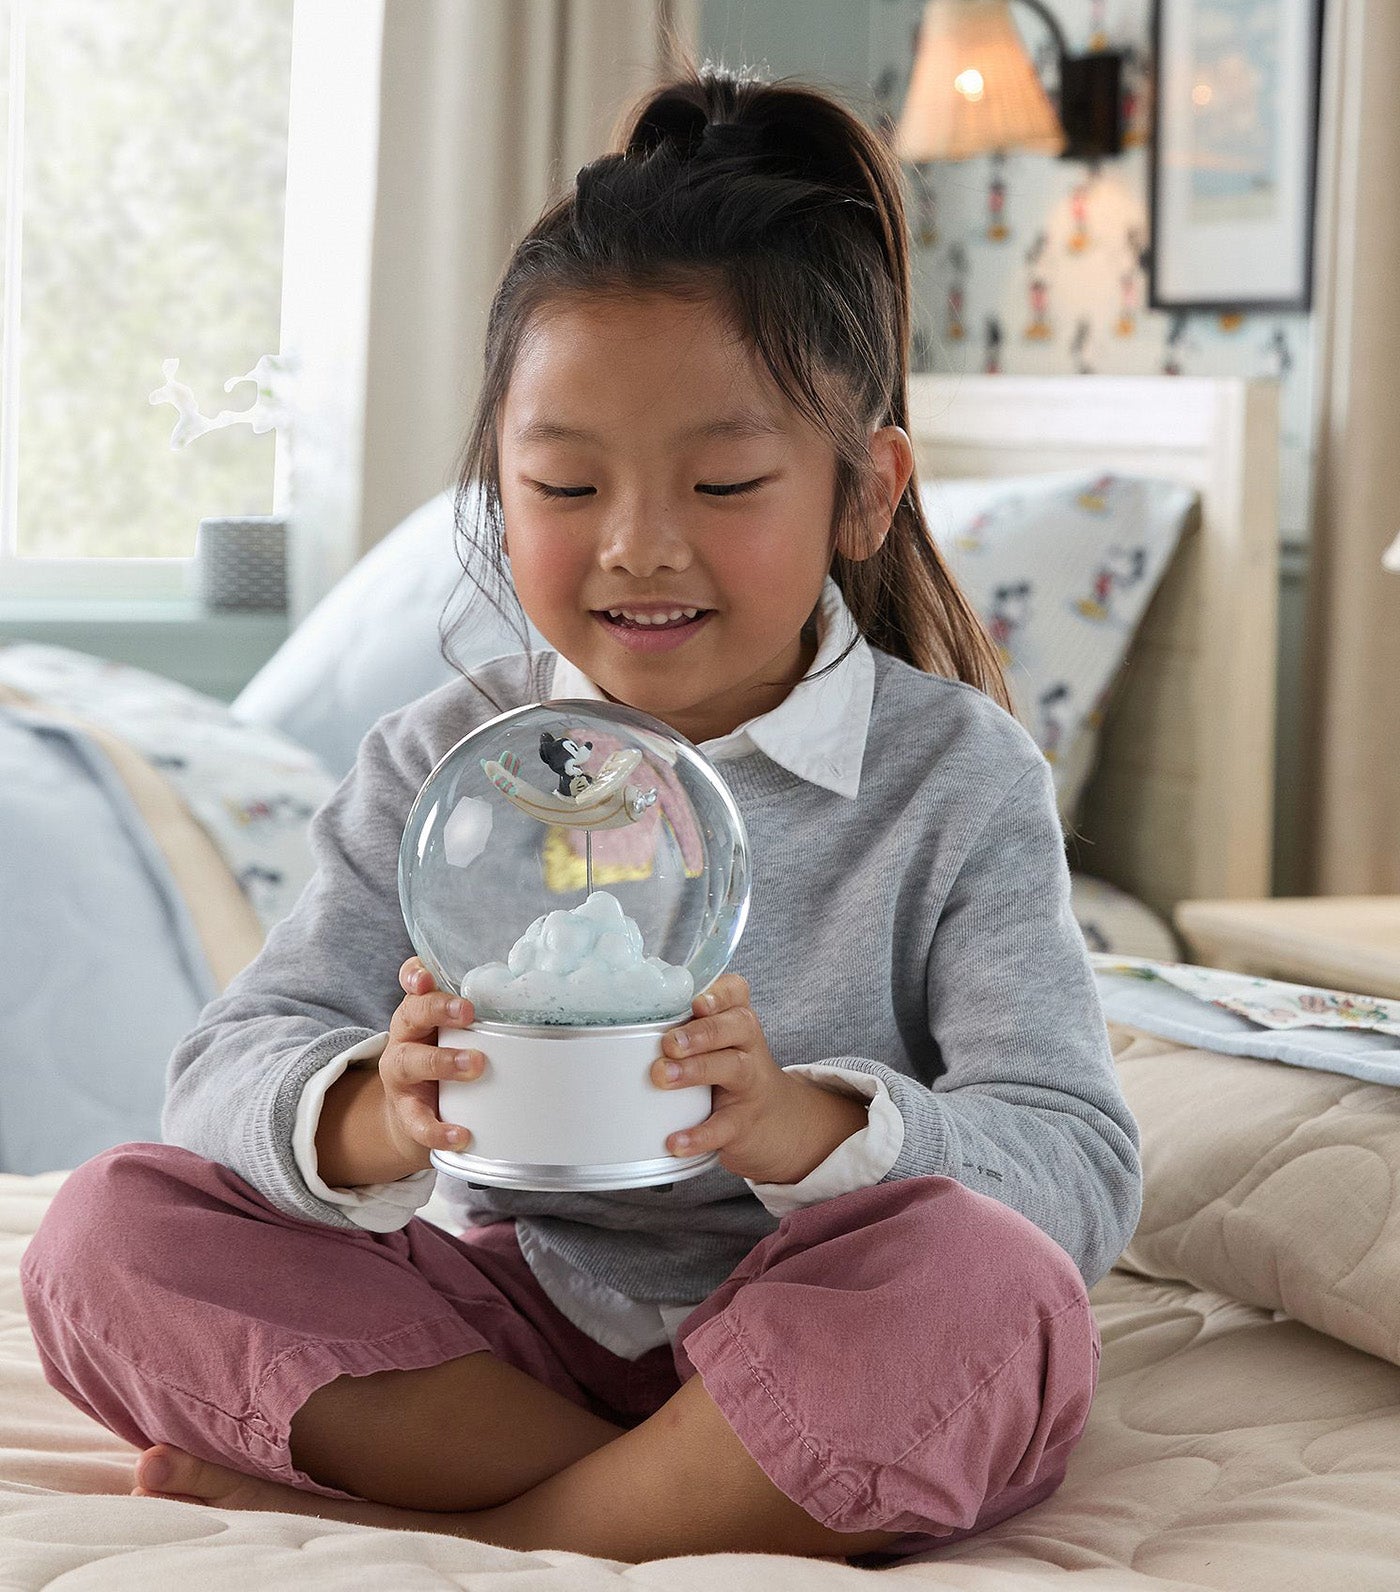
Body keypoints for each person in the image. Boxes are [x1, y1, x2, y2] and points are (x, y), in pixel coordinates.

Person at [20, 66, 1142, 1566]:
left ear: (864, 496)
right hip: (507, 1336)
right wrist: (374, 1108)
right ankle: (662, 1494)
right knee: (109, 1233)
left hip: (826, 1324)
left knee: (987, 1296)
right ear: (499, 485)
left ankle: (516, 1528)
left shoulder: (956, 780)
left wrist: (802, 1124)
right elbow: (230, 1066)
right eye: (563, 482)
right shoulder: (443, 759)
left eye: (727, 480)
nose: (637, 546)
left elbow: (1071, 1158)